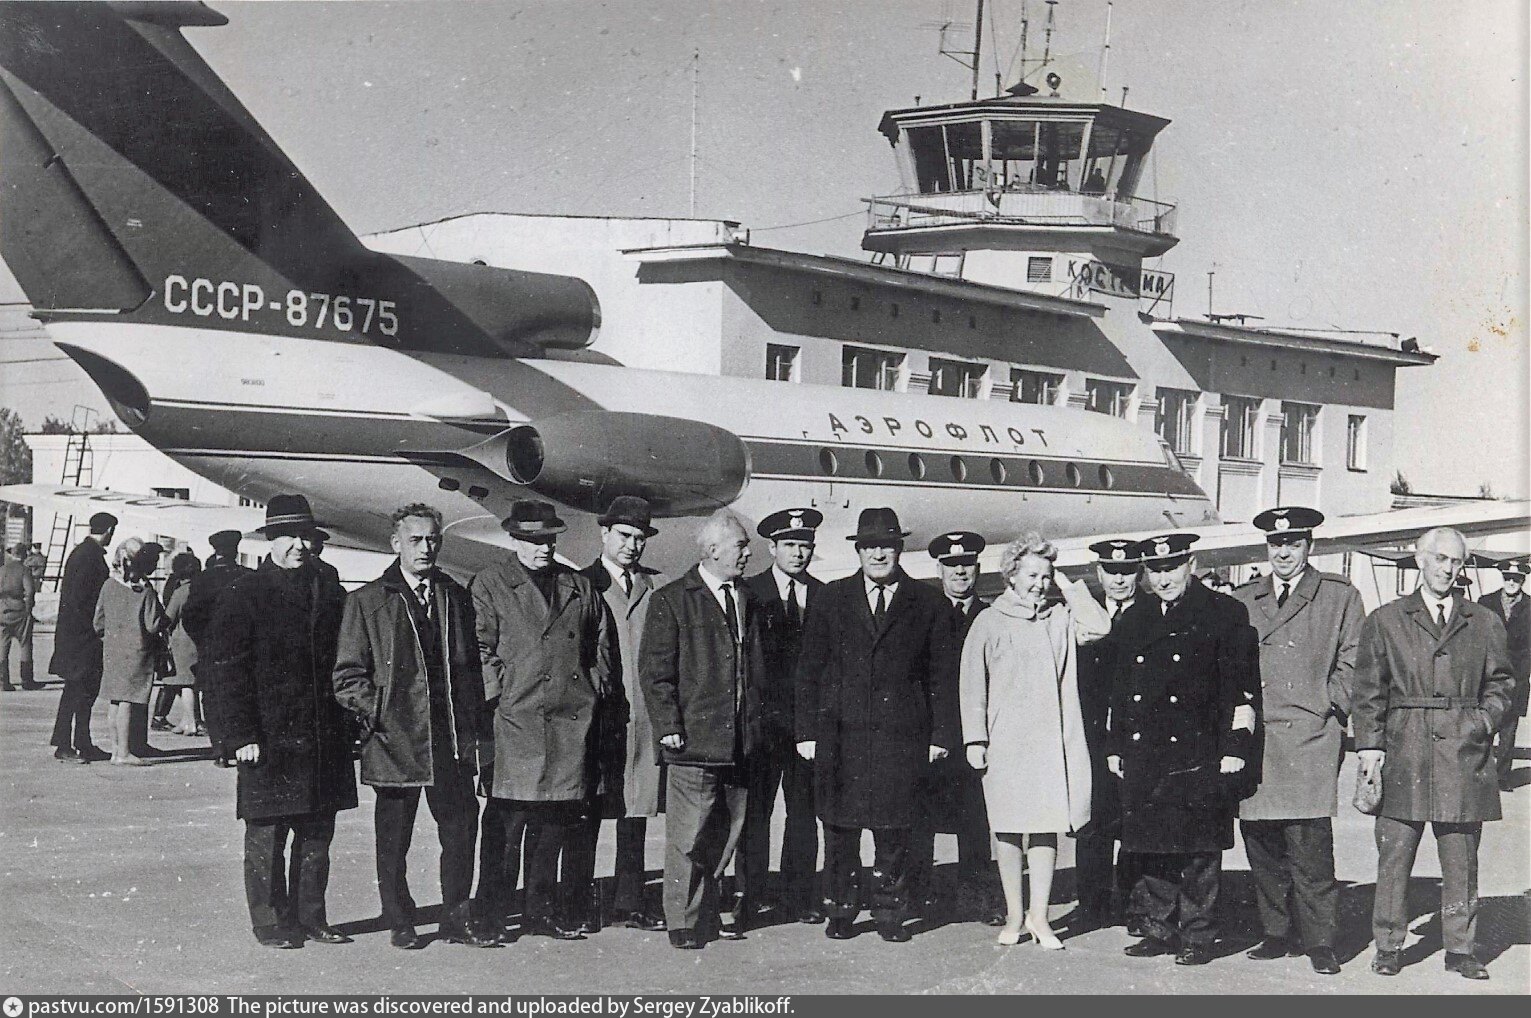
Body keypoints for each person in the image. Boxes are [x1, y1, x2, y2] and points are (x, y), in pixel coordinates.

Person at [1353, 526, 1516, 981]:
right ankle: (1389, 945)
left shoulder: (1483, 621)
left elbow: (1502, 683)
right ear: (1420, 559)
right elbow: (1368, 690)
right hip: (1404, 750)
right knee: (1394, 857)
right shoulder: (1386, 620)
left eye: (1456, 561)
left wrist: (1482, 722)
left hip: (1464, 754)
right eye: (1440, 558)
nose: (1448, 569)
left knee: (1461, 860)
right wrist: (1370, 747)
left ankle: (1460, 948)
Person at [332, 504, 496, 949]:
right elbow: (347, 675)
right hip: (395, 742)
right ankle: (399, 919)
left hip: (450, 740)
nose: (426, 548)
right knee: (394, 838)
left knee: (461, 829)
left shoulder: (453, 595)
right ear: (396, 544)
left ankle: (456, 917)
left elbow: (471, 667)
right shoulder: (367, 601)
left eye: (433, 540)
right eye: (416, 540)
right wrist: (379, 714)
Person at [795, 507, 959, 944]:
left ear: (899, 549)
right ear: (859, 551)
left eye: (886, 545)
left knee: (894, 832)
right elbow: (809, 670)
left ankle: (890, 913)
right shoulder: (831, 598)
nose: (878, 554)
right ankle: (841, 909)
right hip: (841, 737)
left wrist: (941, 735)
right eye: (870, 547)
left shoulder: (928, 603)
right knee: (840, 830)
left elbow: (942, 676)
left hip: (901, 738)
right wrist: (806, 732)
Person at [202, 494, 357, 949]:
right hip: (268, 736)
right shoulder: (244, 593)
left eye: (305, 537)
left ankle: (311, 916)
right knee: (267, 831)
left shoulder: (329, 587)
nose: (298, 546)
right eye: (288, 537)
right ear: (271, 540)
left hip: (322, 732)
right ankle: (270, 921)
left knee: (317, 833)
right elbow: (225, 669)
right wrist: (239, 735)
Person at [1107, 533, 1260, 967]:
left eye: (1171, 568)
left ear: (1190, 565)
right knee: (1152, 846)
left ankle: (1198, 934)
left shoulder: (1224, 612)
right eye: (1155, 570)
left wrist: (1236, 745)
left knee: (1198, 852)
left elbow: (1242, 688)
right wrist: (1116, 744)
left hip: (1199, 750)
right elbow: (1122, 690)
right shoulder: (1135, 617)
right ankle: (1158, 927)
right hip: (1147, 752)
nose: (1163, 578)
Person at [470, 499, 618, 942]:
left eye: (549, 540)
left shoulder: (577, 585)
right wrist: (504, 693)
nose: (543, 548)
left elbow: (600, 645)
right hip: (517, 722)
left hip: (570, 722)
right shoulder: (491, 583)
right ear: (514, 539)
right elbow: (480, 648)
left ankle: (540, 911)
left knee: (553, 824)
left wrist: (593, 689)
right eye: (532, 540)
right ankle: (491, 915)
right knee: (506, 825)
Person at [1229, 507, 1363, 976]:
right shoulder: (1245, 598)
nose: (1283, 552)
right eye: (1275, 544)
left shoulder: (1338, 596)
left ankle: (1320, 940)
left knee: (1309, 846)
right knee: (1261, 840)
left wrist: (1328, 704)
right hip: (1258, 736)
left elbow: (1355, 659)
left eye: (1292, 543)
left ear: (1310, 546)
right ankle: (1276, 931)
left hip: (1309, 735)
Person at [961, 533, 1110, 948]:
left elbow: (1100, 626)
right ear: (1011, 575)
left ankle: (1039, 918)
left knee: (1046, 831)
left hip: (1050, 745)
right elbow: (972, 684)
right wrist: (975, 739)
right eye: (1031, 575)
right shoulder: (989, 621)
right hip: (1005, 745)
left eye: (1045, 576)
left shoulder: (1059, 617)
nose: (1039, 584)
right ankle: (1014, 915)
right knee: (1008, 833)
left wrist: (1066, 584)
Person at [639, 510, 766, 949]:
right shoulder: (673, 599)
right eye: (740, 546)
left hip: (740, 741)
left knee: (727, 833)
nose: (747, 554)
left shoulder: (747, 598)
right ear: (712, 550)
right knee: (688, 836)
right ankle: (683, 920)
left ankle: (706, 909)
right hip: (693, 741)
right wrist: (668, 726)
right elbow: (656, 672)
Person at [569, 496, 667, 933]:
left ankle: (630, 901)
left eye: (640, 538)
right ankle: (578, 903)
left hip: (642, 715)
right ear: (604, 533)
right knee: (588, 810)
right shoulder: (581, 584)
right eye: (624, 535)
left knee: (636, 811)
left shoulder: (653, 586)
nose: (632, 545)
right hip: (598, 714)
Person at [910, 530, 1003, 926]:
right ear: (939, 570)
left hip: (975, 735)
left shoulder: (991, 616)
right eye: (951, 566)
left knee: (975, 821)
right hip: (931, 734)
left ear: (977, 569)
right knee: (920, 821)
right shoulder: (923, 613)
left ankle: (979, 897)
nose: (960, 572)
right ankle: (916, 897)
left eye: (966, 565)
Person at [737, 507, 825, 927]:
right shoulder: (749, 592)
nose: (798, 553)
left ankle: (800, 895)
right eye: (789, 545)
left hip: (807, 726)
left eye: (805, 545)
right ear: (772, 548)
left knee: (804, 812)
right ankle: (750, 894)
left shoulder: (824, 595)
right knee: (756, 812)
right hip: (763, 725)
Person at [1073, 538, 1146, 933]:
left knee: (1134, 820)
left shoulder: (1152, 612)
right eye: (1111, 571)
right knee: (1091, 821)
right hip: (1090, 735)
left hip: (1136, 735)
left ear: (1139, 572)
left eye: (1127, 571)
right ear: (1098, 573)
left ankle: (1136, 907)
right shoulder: (1081, 613)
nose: (1119, 580)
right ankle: (1092, 904)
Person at [49, 511, 117, 763]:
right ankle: (65, 744)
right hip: (82, 638)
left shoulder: (83, 553)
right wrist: (97, 628)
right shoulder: (89, 557)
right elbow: (83, 601)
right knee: (77, 691)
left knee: (83, 691)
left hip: (77, 636)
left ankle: (81, 742)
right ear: (109, 530)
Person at [94, 539, 169, 766]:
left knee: (115, 701)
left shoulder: (108, 585)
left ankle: (116, 750)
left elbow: (98, 622)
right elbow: (153, 625)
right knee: (128, 700)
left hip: (113, 650)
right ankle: (125, 753)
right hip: (137, 652)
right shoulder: (144, 591)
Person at [181, 529, 252, 767]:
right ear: (235, 550)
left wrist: (203, 639)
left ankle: (220, 749)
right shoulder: (246, 575)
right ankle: (238, 744)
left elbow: (190, 615)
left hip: (211, 646)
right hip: (243, 645)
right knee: (241, 693)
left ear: (216, 551)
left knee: (211, 696)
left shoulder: (202, 579)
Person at [1478, 558, 1528, 790]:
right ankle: (1481, 774)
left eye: (1516, 579)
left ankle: (1502, 778)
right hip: (1487, 676)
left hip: (1517, 677)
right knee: (1484, 726)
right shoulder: (1485, 603)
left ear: (1523, 580)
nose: (1511, 582)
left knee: (1508, 730)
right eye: (1507, 578)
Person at [154, 551, 203, 735]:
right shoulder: (201, 590)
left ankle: (190, 722)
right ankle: (186, 720)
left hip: (182, 643)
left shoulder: (180, 592)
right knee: (191, 683)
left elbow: (168, 618)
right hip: (197, 642)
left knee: (186, 684)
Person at [1, 542, 40, 691]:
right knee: (25, 644)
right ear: (24, 555)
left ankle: (3, 681)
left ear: (12, 554)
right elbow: (29, 591)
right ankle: (27, 680)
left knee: (2, 645)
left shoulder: (2, 569)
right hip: (19, 610)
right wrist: (28, 609)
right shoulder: (24, 570)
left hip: (3, 610)